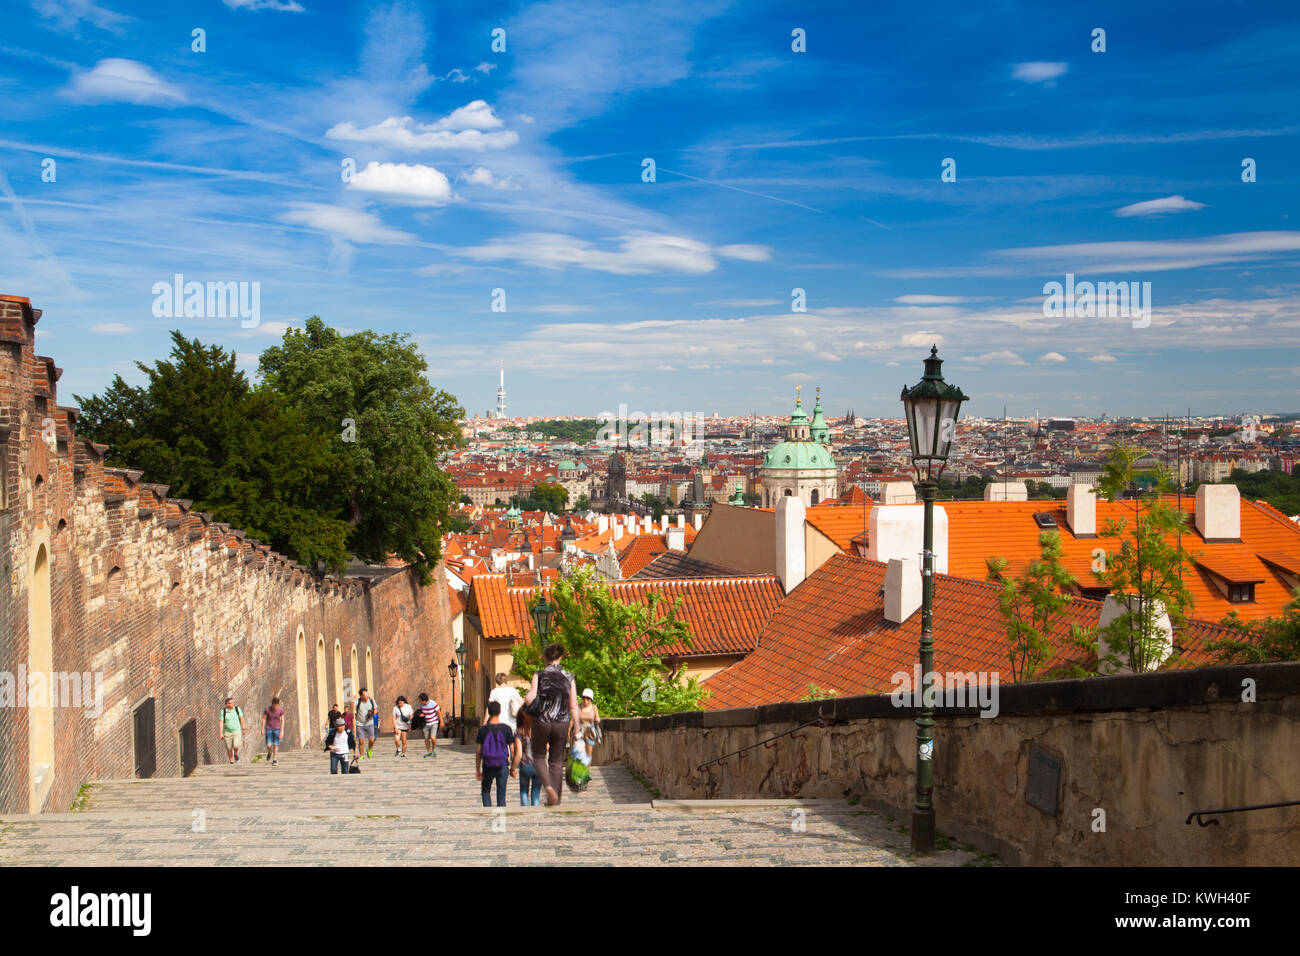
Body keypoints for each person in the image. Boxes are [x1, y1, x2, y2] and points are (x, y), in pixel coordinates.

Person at [523, 643, 580, 806]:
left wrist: (527, 698)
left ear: (545, 658)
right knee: (556, 761)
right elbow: (574, 706)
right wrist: (576, 729)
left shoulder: (539, 674)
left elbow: (530, 698)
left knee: (539, 756)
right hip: (562, 723)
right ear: (560, 657)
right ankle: (555, 799)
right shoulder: (569, 677)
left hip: (542, 721)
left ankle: (548, 787)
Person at [475, 700, 518, 807]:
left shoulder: (483, 730)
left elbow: (478, 751)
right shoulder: (506, 729)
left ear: (488, 712)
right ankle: (500, 815)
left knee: (485, 791)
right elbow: (512, 750)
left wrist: (477, 769)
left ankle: (488, 812)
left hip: (487, 765)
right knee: (501, 793)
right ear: (500, 712)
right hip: (502, 764)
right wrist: (513, 767)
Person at [517, 709, 542, 806]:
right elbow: (547, 747)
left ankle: (525, 813)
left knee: (524, 791)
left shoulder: (520, 731)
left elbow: (519, 753)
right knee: (536, 793)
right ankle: (535, 811)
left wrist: (514, 767)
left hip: (525, 765)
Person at [218, 696, 246, 764]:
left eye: (233, 702)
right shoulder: (223, 711)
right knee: (229, 747)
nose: (233, 704)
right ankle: (231, 760)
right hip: (227, 732)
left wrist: (243, 728)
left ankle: (235, 754)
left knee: (236, 745)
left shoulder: (237, 709)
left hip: (237, 731)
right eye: (231, 703)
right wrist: (221, 733)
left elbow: (242, 719)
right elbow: (220, 722)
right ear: (227, 704)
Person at [578, 688, 601, 765]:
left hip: (590, 733)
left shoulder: (594, 707)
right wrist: (568, 730)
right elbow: (573, 720)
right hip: (580, 732)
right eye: (583, 697)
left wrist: (597, 719)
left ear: (591, 699)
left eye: (587, 698)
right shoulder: (578, 707)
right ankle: (580, 773)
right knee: (580, 755)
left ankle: (587, 773)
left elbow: (597, 717)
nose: (585, 700)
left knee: (588, 754)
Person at [261, 696, 285, 766]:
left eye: (277, 705)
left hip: (277, 729)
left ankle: (274, 760)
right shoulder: (267, 709)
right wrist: (262, 729)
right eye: (275, 705)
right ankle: (269, 752)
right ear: (272, 704)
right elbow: (264, 719)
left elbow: (282, 720)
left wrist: (282, 731)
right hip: (269, 729)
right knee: (268, 745)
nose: (276, 707)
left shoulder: (280, 710)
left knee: (275, 744)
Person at [355, 688, 377, 759]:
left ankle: (369, 750)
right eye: (365, 695)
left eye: (368, 694)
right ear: (361, 696)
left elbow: (375, 709)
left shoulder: (371, 701)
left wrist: (373, 713)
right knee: (361, 741)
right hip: (360, 724)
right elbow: (352, 707)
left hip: (370, 723)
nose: (367, 696)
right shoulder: (358, 702)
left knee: (372, 740)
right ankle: (361, 755)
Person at [418, 693, 441, 758]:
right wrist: (420, 714)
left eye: (420, 700)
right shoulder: (420, 705)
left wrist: (441, 722)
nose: (419, 702)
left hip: (434, 722)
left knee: (433, 738)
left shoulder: (433, 703)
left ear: (424, 700)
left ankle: (434, 749)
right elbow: (419, 711)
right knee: (426, 739)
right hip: (426, 723)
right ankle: (429, 752)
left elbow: (438, 712)